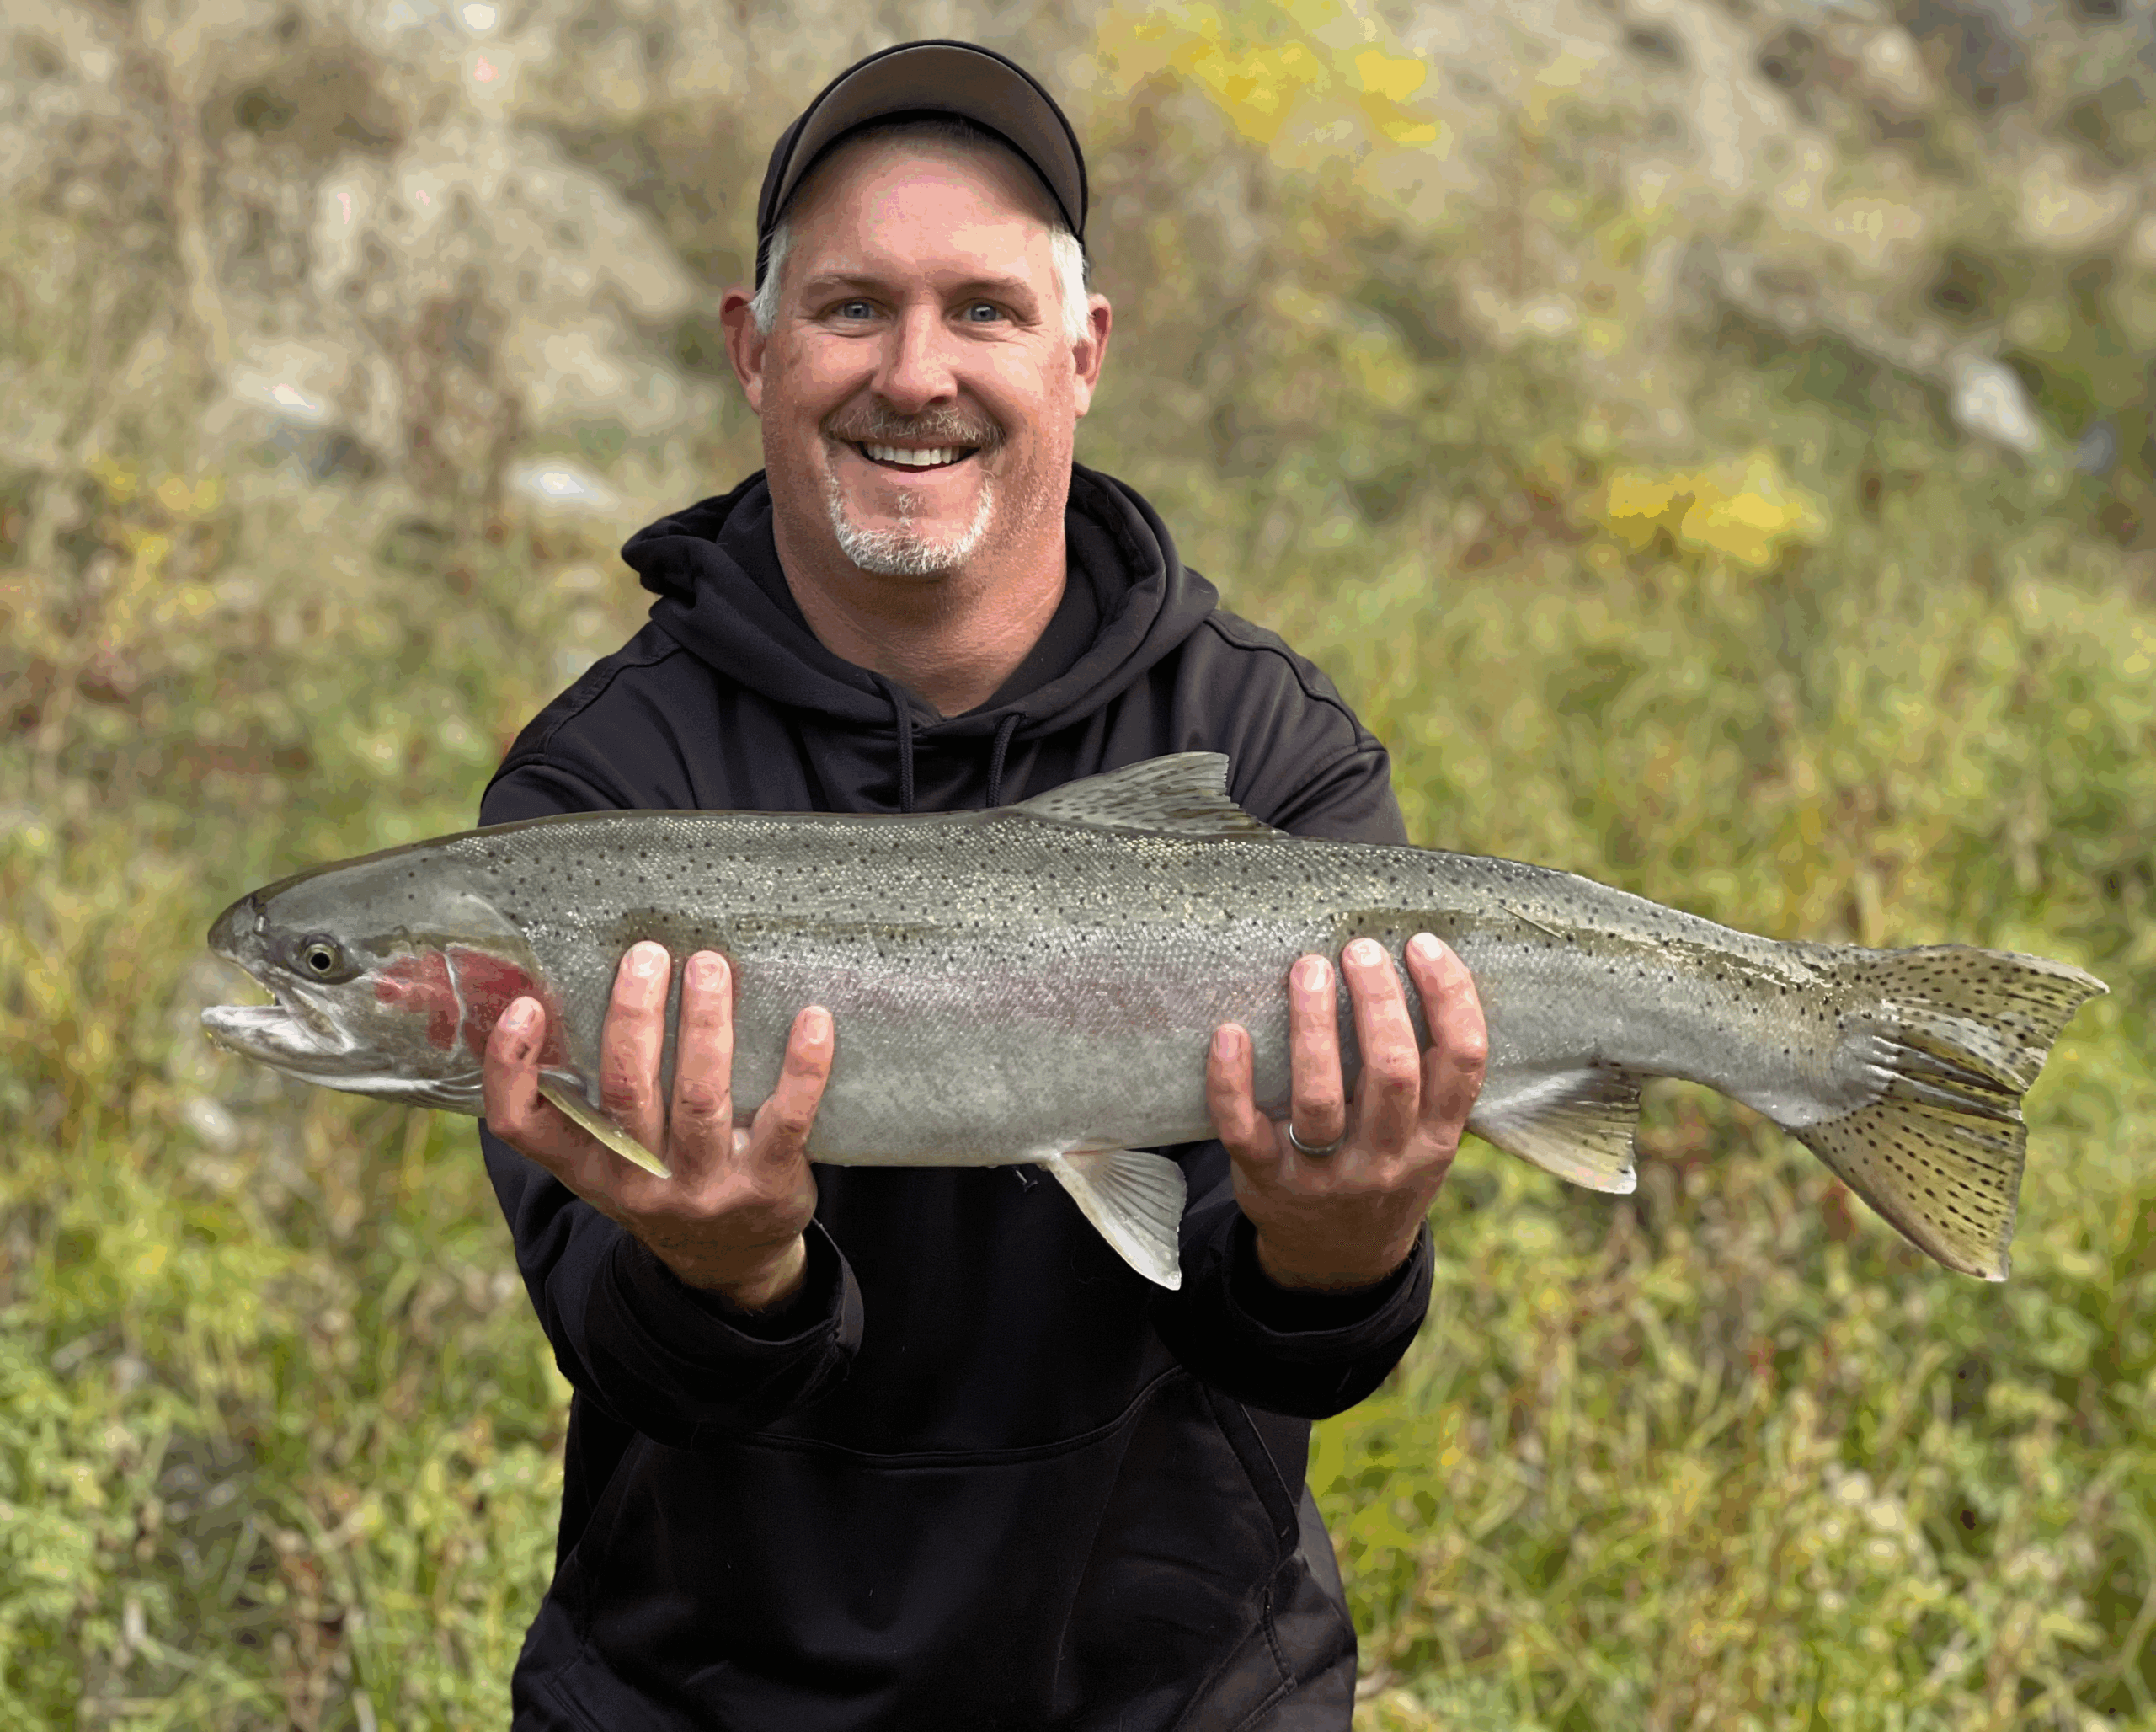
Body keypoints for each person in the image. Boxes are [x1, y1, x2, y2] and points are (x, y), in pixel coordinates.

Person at [477, 39, 1486, 1731]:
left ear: (1081, 354)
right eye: (852, 308)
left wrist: (1339, 1240)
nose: (914, 371)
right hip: (702, 1696)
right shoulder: (595, 788)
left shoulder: (1258, 740)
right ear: (753, 347)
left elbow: (1300, 1351)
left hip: (1184, 1692)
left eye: (985, 311)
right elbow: (616, 1340)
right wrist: (730, 1274)